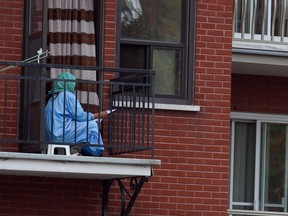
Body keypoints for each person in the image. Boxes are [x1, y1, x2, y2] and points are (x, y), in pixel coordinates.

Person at [45, 72, 107, 156]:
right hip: (61, 133)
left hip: (50, 136)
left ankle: (77, 150)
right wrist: (99, 115)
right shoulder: (67, 95)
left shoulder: (51, 98)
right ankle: (87, 154)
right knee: (92, 126)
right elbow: (80, 116)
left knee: (83, 127)